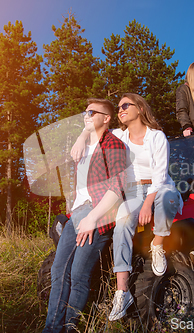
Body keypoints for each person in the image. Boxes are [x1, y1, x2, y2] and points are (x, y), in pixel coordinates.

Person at [71, 93, 183, 322]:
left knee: (169, 198)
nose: (121, 110)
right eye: (119, 107)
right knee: (122, 222)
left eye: (125, 105)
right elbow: (97, 132)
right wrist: (82, 135)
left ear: (140, 108)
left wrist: (147, 204)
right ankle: (122, 292)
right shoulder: (119, 135)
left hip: (158, 187)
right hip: (131, 192)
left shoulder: (156, 137)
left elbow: (160, 176)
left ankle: (158, 244)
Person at [42, 98, 127, 333]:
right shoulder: (84, 145)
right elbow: (78, 147)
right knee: (58, 271)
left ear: (107, 118)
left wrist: (93, 219)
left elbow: (117, 187)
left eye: (91, 112)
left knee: (78, 274)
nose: (86, 116)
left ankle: (70, 328)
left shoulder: (114, 145)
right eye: (84, 112)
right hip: (76, 214)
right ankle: (52, 328)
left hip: (98, 213)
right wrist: (82, 134)